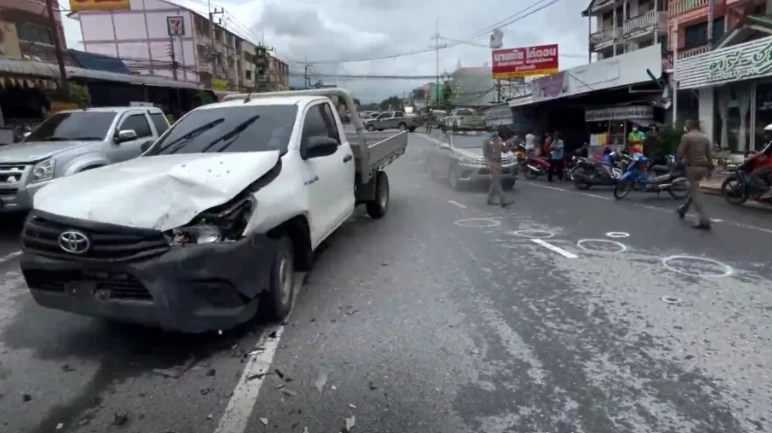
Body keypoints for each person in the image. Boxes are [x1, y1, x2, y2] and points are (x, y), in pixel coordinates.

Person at [676, 119, 713, 230]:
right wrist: (710, 169)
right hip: (703, 167)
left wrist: (677, 163)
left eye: (686, 124)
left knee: (695, 192)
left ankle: (704, 220)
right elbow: (709, 155)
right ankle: (683, 209)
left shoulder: (687, 137)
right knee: (694, 189)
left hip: (692, 167)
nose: (685, 126)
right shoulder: (705, 137)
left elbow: (680, 153)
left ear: (690, 125)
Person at [483, 125, 513, 207]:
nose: (495, 132)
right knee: (497, 182)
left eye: (496, 130)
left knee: (494, 182)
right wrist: (487, 165)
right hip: (491, 163)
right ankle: (503, 200)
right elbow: (485, 155)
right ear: (490, 132)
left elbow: (505, 150)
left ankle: (489, 199)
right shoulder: (487, 141)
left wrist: (509, 144)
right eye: (493, 130)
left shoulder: (500, 140)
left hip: (499, 163)